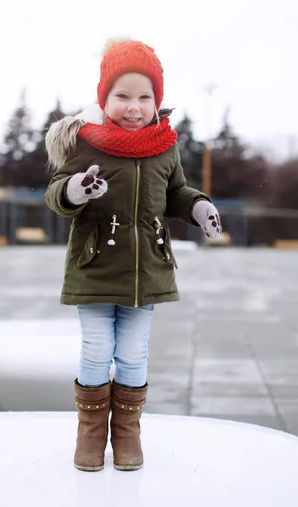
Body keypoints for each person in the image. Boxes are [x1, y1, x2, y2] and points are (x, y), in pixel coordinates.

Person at [44, 39, 222, 472]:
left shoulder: (165, 146)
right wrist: (75, 190)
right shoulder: (85, 144)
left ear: (156, 101)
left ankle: (127, 435)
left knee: (132, 352)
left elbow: (175, 193)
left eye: (144, 97)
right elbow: (56, 195)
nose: (134, 106)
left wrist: (198, 206)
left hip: (148, 270)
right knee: (95, 348)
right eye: (122, 96)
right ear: (104, 98)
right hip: (95, 266)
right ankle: (90, 433)